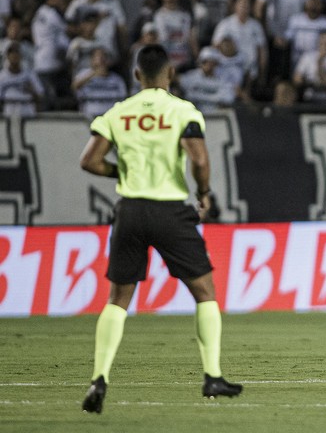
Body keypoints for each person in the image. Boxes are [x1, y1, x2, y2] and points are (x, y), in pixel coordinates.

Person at [79, 44, 242, 414]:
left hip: (131, 211)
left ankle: (99, 378)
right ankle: (212, 376)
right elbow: (199, 159)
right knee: (204, 291)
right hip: (170, 211)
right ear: (170, 75)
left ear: (137, 76)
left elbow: (88, 160)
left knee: (118, 299)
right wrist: (204, 194)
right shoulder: (182, 110)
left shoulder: (118, 112)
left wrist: (118, 172)